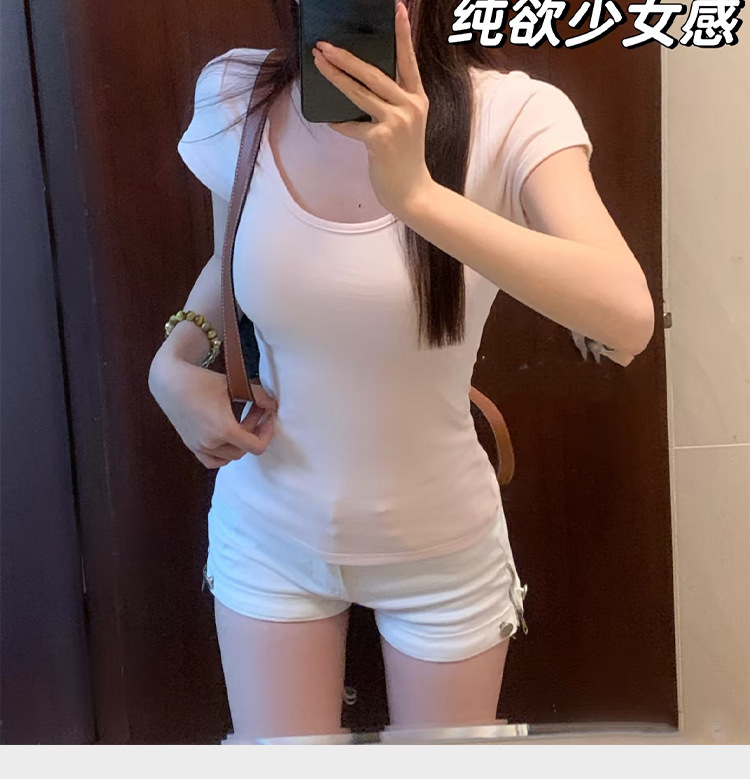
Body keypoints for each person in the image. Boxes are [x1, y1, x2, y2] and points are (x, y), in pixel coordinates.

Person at [149, 0, 654, 743]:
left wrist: (417, 196)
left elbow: (627, 318)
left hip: (441, 547)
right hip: (268, 532)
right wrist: (173, 361)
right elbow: (236, 252)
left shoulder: (515, 116)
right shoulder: (237, 96)